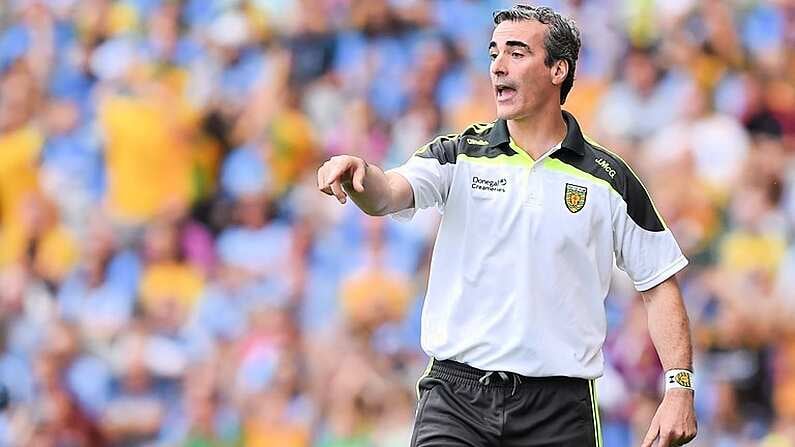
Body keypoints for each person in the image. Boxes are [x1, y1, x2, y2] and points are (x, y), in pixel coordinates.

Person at [316, 4, 697, 447]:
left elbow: (659, 283)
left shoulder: (608, 178)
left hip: (558, 408)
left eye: (516, 53)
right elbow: (387, 193)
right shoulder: (458, 153)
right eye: (494, 52)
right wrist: (360, 172)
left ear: (558, 69)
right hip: (456, 398)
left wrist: (679, 387)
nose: (497, 66)